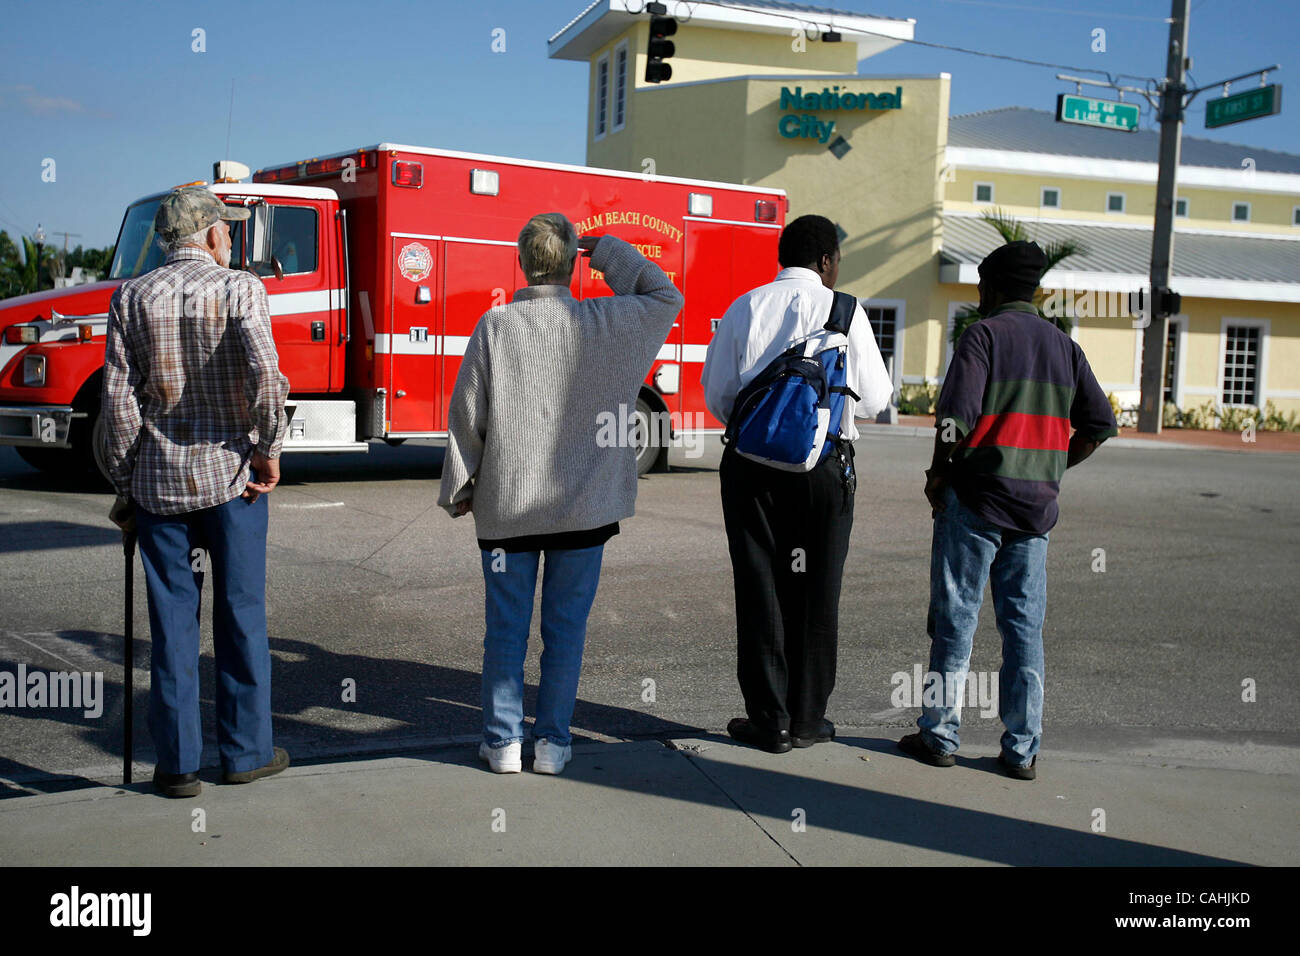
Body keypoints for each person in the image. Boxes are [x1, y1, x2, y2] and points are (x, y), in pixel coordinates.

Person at [438, 213, 683, 775]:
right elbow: (665, 294)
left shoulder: (495, 326)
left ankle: (501, 744)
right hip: (585, 510)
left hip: (508, 510)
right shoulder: (610, 320)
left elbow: (467, 418)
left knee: (505, 630)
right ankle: (552, 745)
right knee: (565, 633)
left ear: (521, 263)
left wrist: (463, 487)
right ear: (573, 263)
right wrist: (612, 255)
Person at [898, 240, 1117, 780]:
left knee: (957, 621)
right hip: (1035, 512)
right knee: (1023, 629)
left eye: (980, 285)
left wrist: (937, 473)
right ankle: (1021, 750)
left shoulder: (984, 336)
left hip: (976, 500)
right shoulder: (1065, 347)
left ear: (993, 287)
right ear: (1035, 290)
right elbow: (1099, 425)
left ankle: (940, 733)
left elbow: (954, 418)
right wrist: (1052, 468)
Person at [102, 186, 291, 798]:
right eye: (227, 230)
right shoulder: (240, 289)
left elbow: (118, 405)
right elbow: (267, 376)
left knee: (172, 626)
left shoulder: (130, 296)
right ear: (210, 235)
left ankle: (177, 765)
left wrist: (125, 483)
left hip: (159, 489)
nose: (231, 238)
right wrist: (269, 447)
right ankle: (245, 752)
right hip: (232, 482)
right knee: (241, 616)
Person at [701, 214, 892, 754]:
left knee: (759, 587)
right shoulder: (846, 311)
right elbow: (875, 401)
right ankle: (809, 719)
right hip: (825, 469)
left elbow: (719, 396)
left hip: (752, 470)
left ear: (782, 258)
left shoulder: (745, 306)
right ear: (827, 260)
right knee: (817, 590)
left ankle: (770, 721)